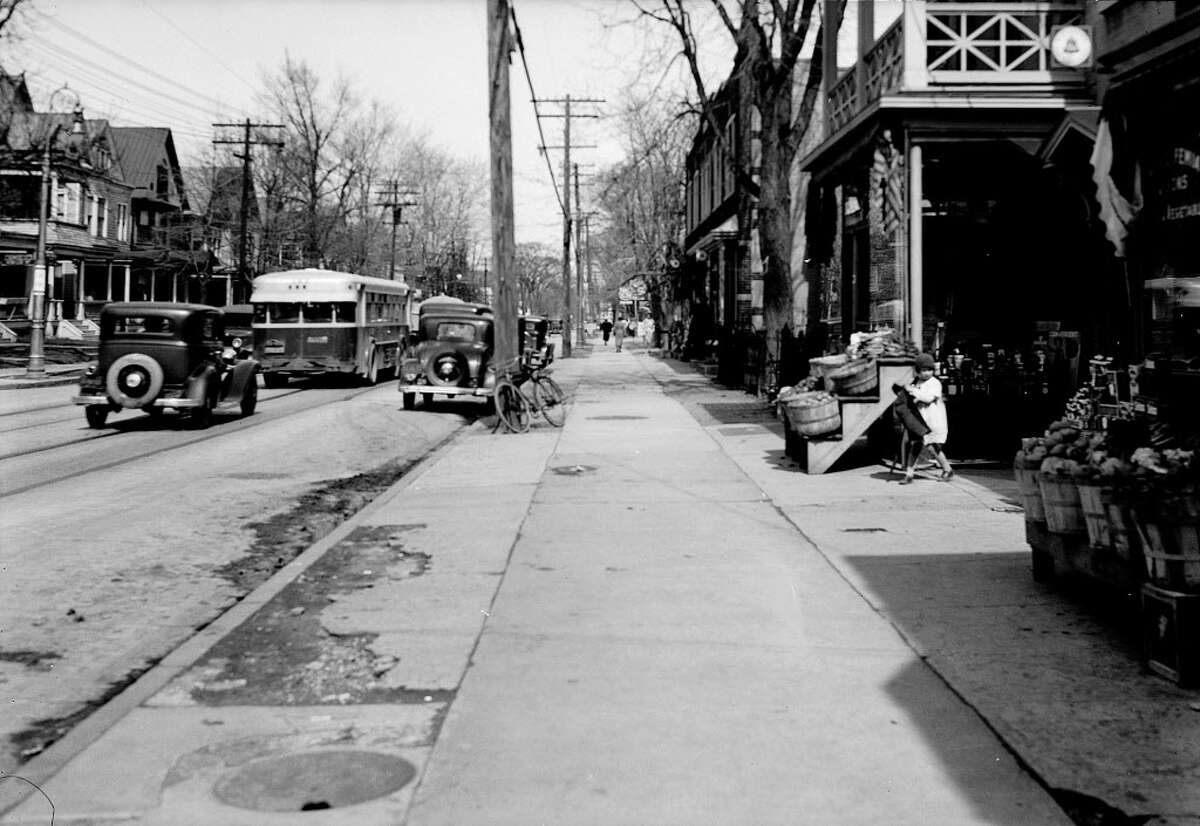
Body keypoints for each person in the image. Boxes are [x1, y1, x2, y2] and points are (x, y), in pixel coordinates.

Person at [901, 352, 953, 484]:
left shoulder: (935, 383)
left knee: (932, 446)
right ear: (918, 371)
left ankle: (947, 469)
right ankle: (909, 473)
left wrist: (912, 391)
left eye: (929, 370)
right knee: (915, 444)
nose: (927, 373)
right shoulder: (916, 382)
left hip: (933, 420)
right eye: (923, 370)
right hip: (920, 420)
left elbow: (928, 398)